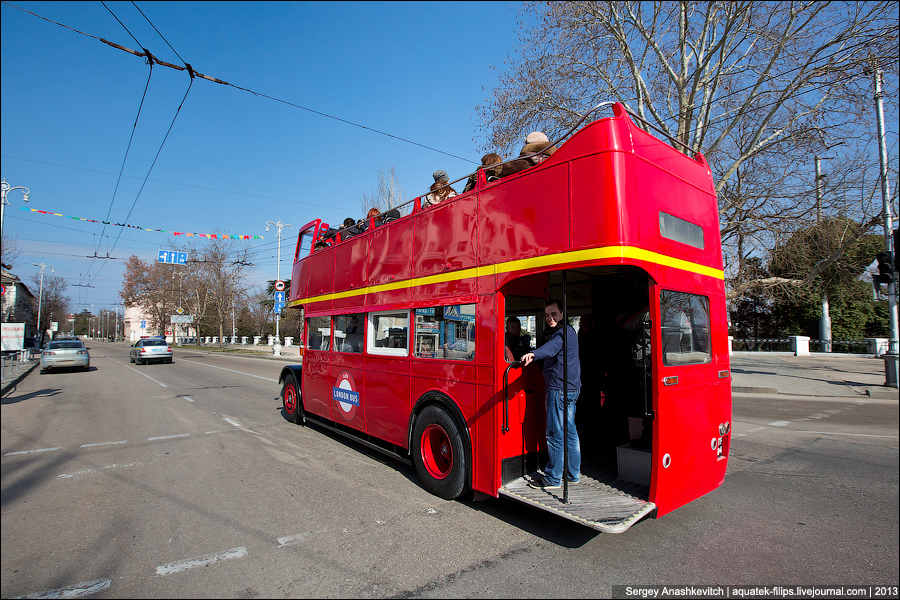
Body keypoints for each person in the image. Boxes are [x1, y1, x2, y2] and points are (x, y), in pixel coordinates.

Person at [520, 299, 581, 490]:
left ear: (562, 314)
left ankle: (553, 478)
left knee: (554, 433)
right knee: (569, 431)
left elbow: (551, 348)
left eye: (553, 314)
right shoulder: (570, 332)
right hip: (571, 388)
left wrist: (533, 354)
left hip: (559, 388)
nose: (550, 318)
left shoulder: (562, 334)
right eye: (547, 315)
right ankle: (573, 473)